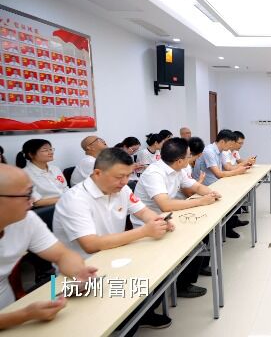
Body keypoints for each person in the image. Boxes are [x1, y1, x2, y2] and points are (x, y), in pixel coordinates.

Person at [52, 148, 174, 328]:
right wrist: (144, 231)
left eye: (128, 175)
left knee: (158, 270)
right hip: (82, 271)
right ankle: (127, 320)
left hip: (115, 256)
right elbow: (90, 245)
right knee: (129, 293)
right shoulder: (75, 199)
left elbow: (142, 211)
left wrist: (158, 221)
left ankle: (141, 314)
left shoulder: (121, 189)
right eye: (119, 177)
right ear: (97, 173)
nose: (125, 182)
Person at [0, 164, 97, 329]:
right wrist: (24, 315)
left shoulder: (26, 219)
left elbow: (61, 255)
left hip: (9, 307)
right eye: (27, 194)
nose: (32, 201)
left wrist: (78, 274)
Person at [133, 138, 221, 295]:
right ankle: (182, 285)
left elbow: (195, 186)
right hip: (149, 224)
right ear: (180, 160)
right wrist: (201, 201)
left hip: (169, 217)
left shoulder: (178, 169)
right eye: (188, 156)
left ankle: (194, 271)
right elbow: (165, 205)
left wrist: (211, 193)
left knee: (204, 230)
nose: (191, 158)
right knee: (195, 238)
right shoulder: (154, 173)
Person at [193, 130, 249, 238]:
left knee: (234, 191)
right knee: (229, 194)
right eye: (231, 143)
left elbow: (221, 172)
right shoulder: (209, 151)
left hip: (213, 182)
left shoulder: (219, 151)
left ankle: (232, 221)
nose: (232, 146)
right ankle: (227, 228)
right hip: (204, 185)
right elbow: (218, 174)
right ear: (223, 142)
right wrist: (237, 171)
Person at [16, 139, 68, 207]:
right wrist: (65, 199)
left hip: (66, 203)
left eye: (51, 149)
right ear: (31, 154)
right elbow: (36, 202)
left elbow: (65, 188)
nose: (51, 152)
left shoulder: (55, 169)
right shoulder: (24, 174)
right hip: (48, 209)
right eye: (45, 150)